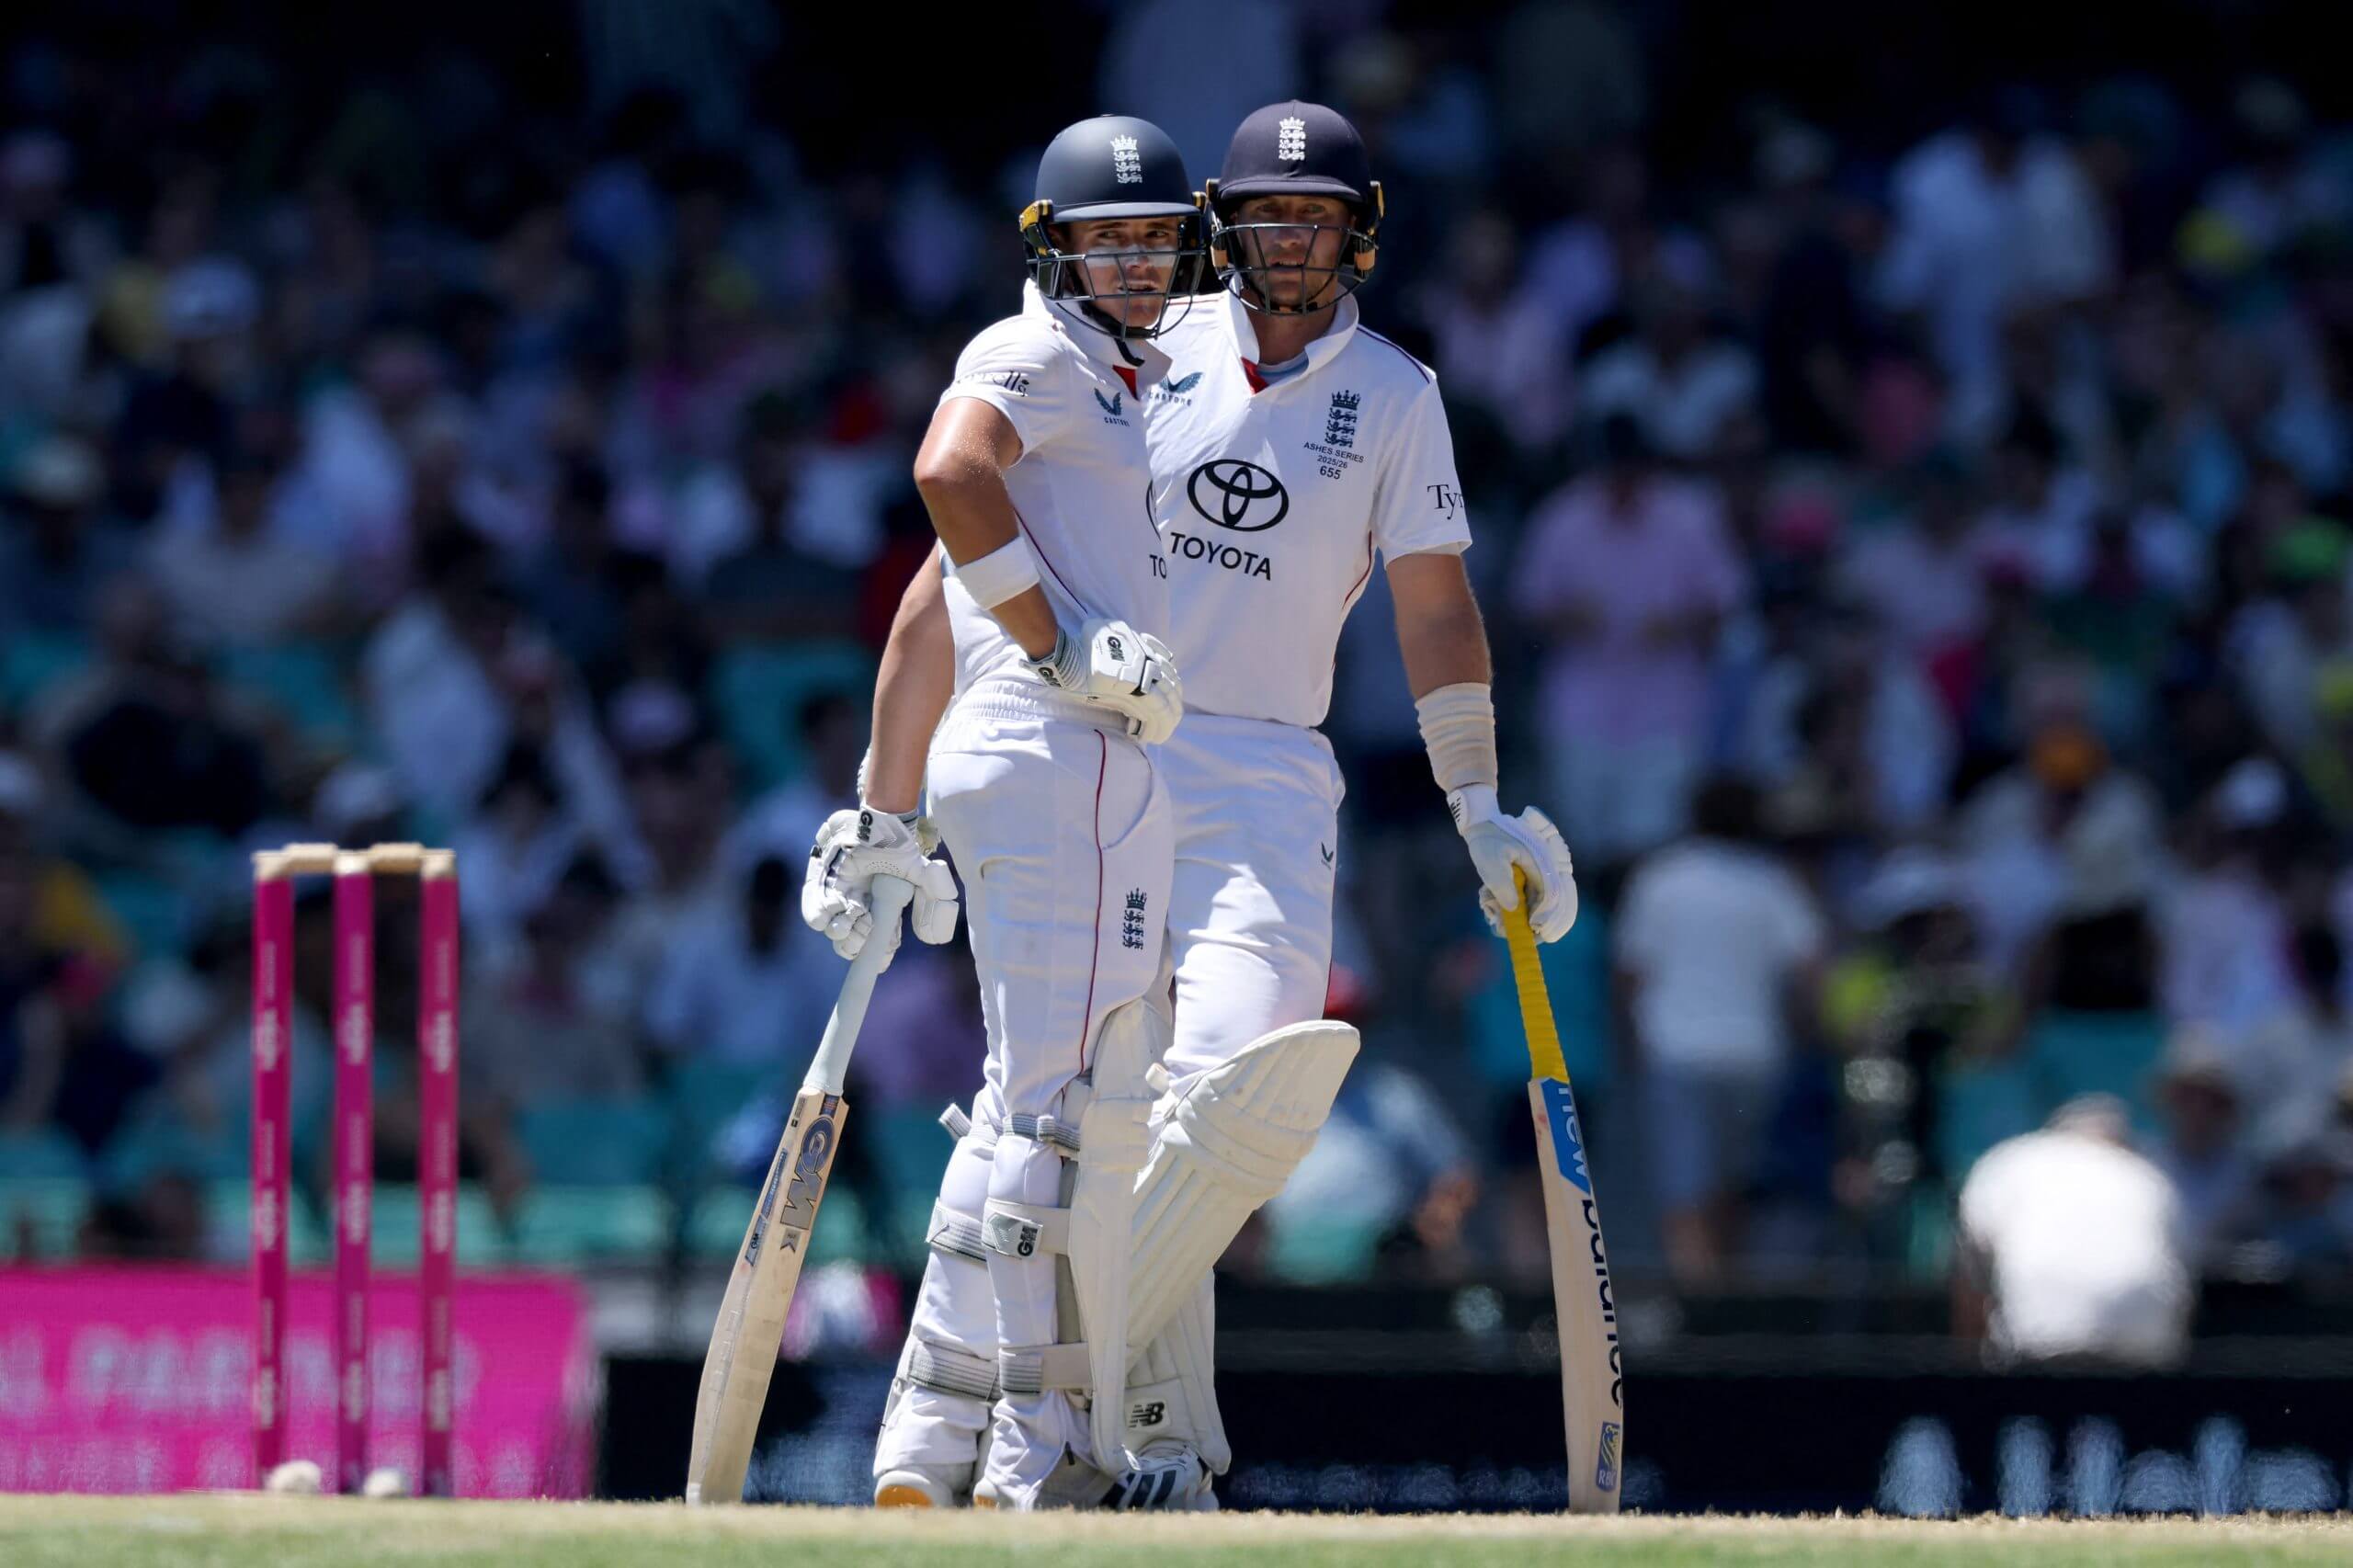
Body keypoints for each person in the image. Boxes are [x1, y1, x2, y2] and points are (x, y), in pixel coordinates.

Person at [834, 101, 1575, 1511]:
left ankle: (1045, 1400)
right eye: (1266, 214)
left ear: (1358, 232)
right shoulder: (1123, 343)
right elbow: (952, 567)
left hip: (1264, 771)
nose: (1290, 240)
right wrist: (883, 801)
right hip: (1094, 738)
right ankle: (1140, 1441)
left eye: (1318, 215)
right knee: (1073, 1099)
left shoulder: (1399, 397)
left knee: (1235, 1084)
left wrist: (1476, 803)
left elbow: (1436, 607)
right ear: (1218, 226)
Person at [798, 116, 1201, 1512]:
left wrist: (881, 809)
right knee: (1067, 1118)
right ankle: (1038, 1449)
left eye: (1156, 238)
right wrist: (1061, 645)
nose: (1139, 262)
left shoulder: (1119, 384)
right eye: (1112, 238)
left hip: (1021, 757)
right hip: (1061, 754)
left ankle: (927, 1427)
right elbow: (944, 471)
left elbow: (926, 599)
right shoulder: (1034, 356)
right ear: (1056, 247)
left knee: (1015, 1109)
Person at [1954, 1096, 2192, 1369]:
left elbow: (1969, 1271)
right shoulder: (2150, 1176)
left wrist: (1968, 1370)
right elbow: (2184, 1285)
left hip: (2041, 1342)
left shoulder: (2009, 1158)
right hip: (2144, 1351)